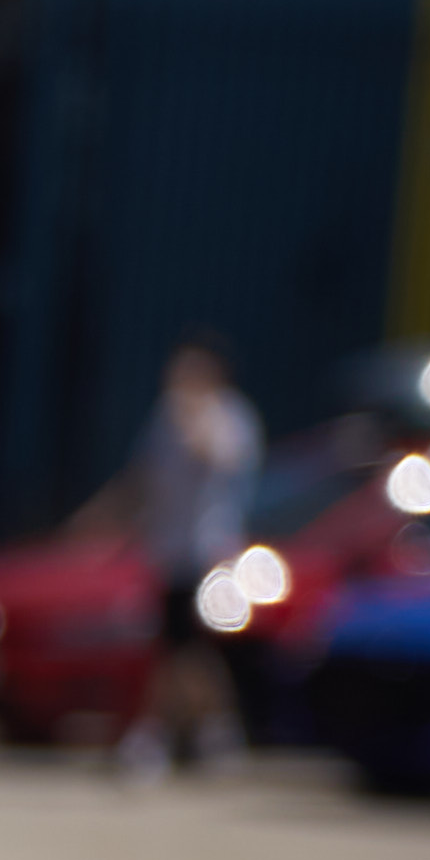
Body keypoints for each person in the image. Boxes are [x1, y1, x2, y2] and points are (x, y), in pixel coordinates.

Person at [93, 332, 260, 782]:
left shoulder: (230, 418)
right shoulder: (164, 417)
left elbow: (217, 460)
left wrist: (193, 414)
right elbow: (143, 476)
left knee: (182, 648)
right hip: (168, 552)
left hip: (208, 554)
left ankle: (165, 737)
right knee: (182, 649)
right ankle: (210, 732)